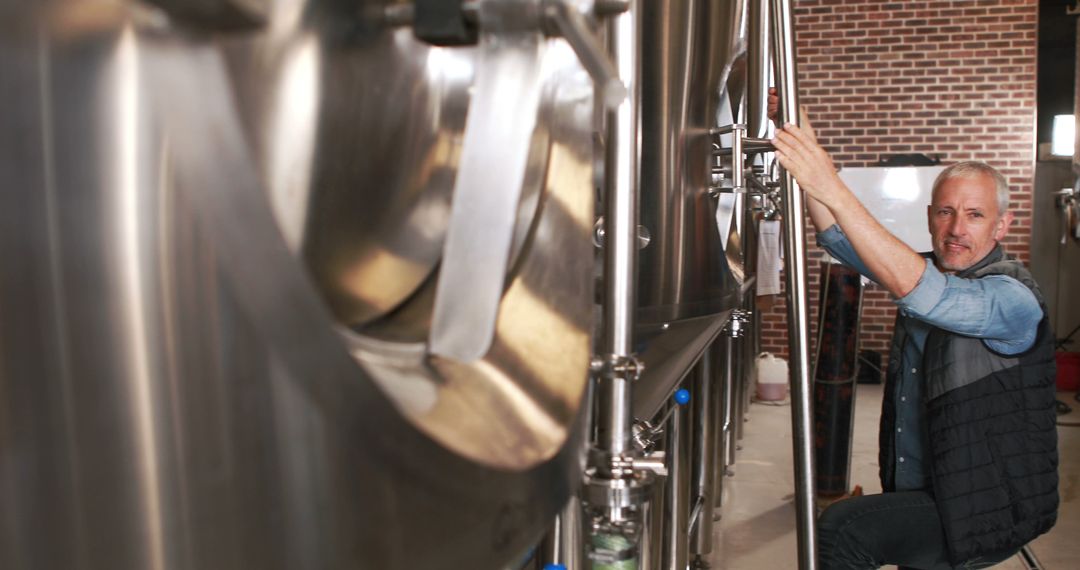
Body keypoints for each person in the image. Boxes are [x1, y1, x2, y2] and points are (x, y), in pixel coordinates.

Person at [769, 111, 1059, 569]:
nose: (957, 228)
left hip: (983, 503)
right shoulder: (923, 266)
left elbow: (930, 296)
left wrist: (835, 187)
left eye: (975, 215)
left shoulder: (1013, 297)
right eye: (946, 212)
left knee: (843, 528)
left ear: (1001, 226)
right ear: (929, 217)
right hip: (928, 488)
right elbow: (836, 236)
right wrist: (800, 132)